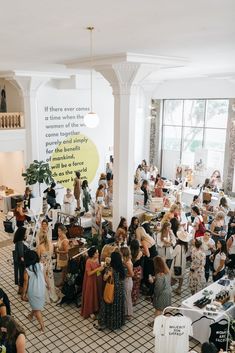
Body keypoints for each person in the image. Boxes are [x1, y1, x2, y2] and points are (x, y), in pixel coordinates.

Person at [97, 252, 126, 330]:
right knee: (118, 306)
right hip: (120, 290)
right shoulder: (122, 267)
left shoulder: (110, 269)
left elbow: (104, 278)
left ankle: (107, 323)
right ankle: (117, 323)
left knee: (108, 304)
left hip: (111, 289)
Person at [22, 250, 49, 332]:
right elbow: (45, 276)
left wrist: (23, 294)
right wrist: (48, 286)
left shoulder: (27, 270)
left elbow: (25, 283)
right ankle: (30, 316)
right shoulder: (41, 265)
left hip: (33, 292)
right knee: (35, 305)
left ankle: (42, 327)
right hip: (42, 289)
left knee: (37, 310)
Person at [81, 246, 104, 319]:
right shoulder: (88, 261)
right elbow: (89, 273)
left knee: (97, 293)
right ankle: (90, 311)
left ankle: (96, 308)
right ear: (93, 254)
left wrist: (102, 266)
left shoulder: (97, 259)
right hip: (91, 281)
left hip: (97, 278)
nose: (98, 253)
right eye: (96, 253)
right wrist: (98, 269)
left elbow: (98, 268)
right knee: (91, 295)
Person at [36, 231, 58, 303]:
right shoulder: (51, 244)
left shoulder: (39, 246)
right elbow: (52, 254)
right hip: (49, 263)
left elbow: (38, 257)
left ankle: (46, 296)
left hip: (43, 265)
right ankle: (52, 294)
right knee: (50, 278)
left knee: (43, 279)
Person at [149, 256, 171, 321]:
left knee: (158, 309)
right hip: (168, 292)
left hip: (162, 294)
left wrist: (155, 296)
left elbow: (158, 289)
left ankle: (156, 323)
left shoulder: (159, 275)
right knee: (167, 308)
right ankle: (167, 321)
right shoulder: (166, 271)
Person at [171, 230, 190, 294]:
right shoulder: (186, 246)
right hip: (183, 263)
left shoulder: (178, 246)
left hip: (177, 263)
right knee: (181, 276)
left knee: (173, 276)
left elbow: (173, 255)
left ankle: (167, 288)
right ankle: (179, 288)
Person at [13, 227, 29, 298]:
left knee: (21, 276)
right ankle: (23, 294)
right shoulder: (20, 242)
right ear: (22, 234)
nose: (26, 234)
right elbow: (21, 256)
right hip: (22, 263)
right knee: (23, 277)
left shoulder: (19, 241)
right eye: (25, 233)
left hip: (19, 262)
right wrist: (26, 264)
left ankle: (20, 290)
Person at [120, 247, 134, 319]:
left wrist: (124, 275)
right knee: (127, 297)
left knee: (127, 298)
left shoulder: (128, 263)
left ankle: (129, 314)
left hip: (127, 281)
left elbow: (132, 274)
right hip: (127, 281)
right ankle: (127, 312)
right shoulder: (127, 260)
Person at [130, 240, 143, 305]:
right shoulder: (140, 252)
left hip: (131, 270)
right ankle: (134, 300)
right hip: (138, 271)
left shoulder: (130, 253)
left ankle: (130, 300)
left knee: (131, 286)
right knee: (137, 286)